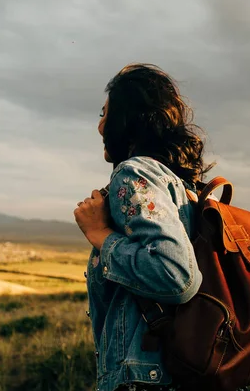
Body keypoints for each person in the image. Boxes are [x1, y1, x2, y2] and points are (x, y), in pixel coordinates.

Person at [74, 63, 215, 391]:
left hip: (145, 380)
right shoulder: (181, 187)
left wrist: (100, 235)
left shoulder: (135, 173)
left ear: (127, 120)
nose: (99, 127)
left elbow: (177, 275)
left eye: (104, 114)